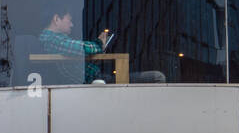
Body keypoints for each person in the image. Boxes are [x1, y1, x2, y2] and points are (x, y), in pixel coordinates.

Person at [38, 8, 166, 84]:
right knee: (158, 77)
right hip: (94, 83)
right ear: (56, 19)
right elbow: (82, 48)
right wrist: (99, 43)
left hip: (97, 80)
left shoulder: (55, 40)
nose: (72, 25)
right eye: (69, 20)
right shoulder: (51, 39)